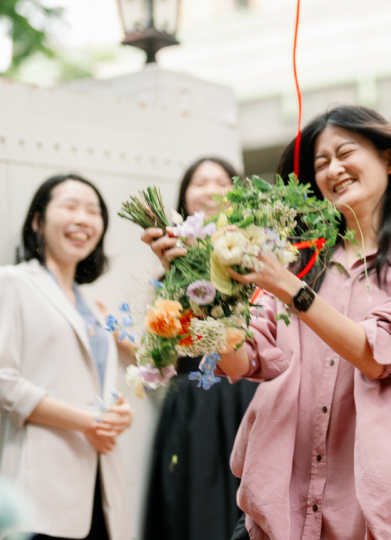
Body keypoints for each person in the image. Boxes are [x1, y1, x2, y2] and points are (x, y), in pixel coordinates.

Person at [202, 105, 391, 540]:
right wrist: (202, 282)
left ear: (388, 159)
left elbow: (375, 356)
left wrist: (290, 288)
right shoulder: (296, 262)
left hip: (368, 518)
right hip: (275, 516)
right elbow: (239, 362)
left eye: (345, 153)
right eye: (321, 164)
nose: (333, 170)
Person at [0, 174, 133, 540]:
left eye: (93, 211)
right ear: (38, 221)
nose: (83, 219)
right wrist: (87, 422)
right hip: (40, 492)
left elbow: (86, 383)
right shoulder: (12, 281)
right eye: (70, 206)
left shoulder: (93, 307)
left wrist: (119, 412)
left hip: (99, 491)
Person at [140, 157, 259, 540]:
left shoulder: (259, 257)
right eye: (199, 182)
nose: (211, 190)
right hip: (195, 404)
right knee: (195, 515)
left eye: (222, 181)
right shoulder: (166, 270)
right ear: (184, 197)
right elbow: (163, 353)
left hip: (251, 395)